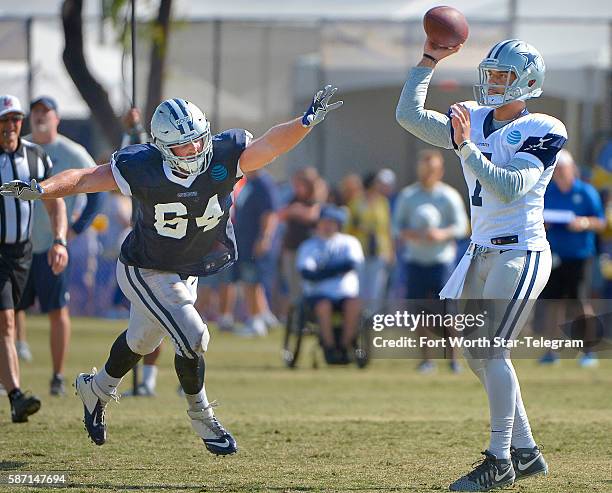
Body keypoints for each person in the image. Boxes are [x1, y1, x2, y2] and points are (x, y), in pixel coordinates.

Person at [1, 87, 342, 452]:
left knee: (141, 341)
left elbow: (270, 145)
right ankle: (202, 417)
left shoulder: (223, 154)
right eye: (184, 146)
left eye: (198, 141)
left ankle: (96, 388)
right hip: (146, 268)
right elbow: (86, 178)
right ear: (163, 147)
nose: (195, 151)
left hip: (186, 268)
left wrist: (305, 122)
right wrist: (44, 189)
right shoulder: (142, 166)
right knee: (193, 335)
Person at [396, 38, 567, 491]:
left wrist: (466, 148)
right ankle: (526, 452)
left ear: (528, 81)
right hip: (480, 250)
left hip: (522, 252)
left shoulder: (544, 126)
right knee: (479, 355)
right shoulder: (472, 116)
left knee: (491, 349)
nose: (492, 83)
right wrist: (428, 60)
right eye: (490, 73)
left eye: (502, 76)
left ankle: (500, 459)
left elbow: (509, 188)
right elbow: (408, 117)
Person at [15, 96, 102, 396]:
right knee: (9, 309)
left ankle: (57, 376)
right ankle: (11, 373)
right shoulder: (18, 148)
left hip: (54, 244)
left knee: (56, 309)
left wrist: (76, 229)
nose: (40, 116)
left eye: (45, 112)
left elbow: (97, 191)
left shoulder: (72, 152)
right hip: (18, 243)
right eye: (35, 111)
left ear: (56, 118)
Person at [0, 94, 68, 422]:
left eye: (15, 119)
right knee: (7, 321)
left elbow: (55, 202)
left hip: (23, 253)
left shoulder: (35, 158)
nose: (10, 126)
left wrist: (59, 240)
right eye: (4, 120)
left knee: (10, 321)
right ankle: (15, 395)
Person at [393, 149, 468, 373]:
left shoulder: (449, 196)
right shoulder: (408, 196)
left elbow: (462, 226)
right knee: (419, 312)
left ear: (440, 171)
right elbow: (396, 226)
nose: (428, 173)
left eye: (432, 169)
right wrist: (409, 234)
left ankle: (453, 359)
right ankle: (427, 360)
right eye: (424, 168)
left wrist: (442, 234)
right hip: (415, 259)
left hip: (441, 261)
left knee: (448, 312)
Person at [539, 149, 605, 366]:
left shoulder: (585, 192)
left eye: (562, 168)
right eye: (555, 169)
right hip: (554, 255)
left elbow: (600, 222)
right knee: (552, 303)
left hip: (579, 256)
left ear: (571, 168)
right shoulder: (548, 192)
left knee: (580, 303)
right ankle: (551, 351)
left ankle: (589, 350)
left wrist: (582, 223)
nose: (558, 173)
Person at [296, 204, 364, 364]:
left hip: (344, 293)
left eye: (332, 222)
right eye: (324, 222)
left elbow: (352, 264)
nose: (327, 226)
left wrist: (322, 272)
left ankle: (346, 345)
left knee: (354, 305)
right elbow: (307, 272)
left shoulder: (349, 242)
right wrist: (335, 271)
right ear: (318, 224)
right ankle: (330, 347)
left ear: (338, 224)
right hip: (318, 294)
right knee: (324, 305)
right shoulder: (309, 245)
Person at [234, 168, 280, 336]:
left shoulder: (263, 183)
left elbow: (269, 213)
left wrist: (265, 237)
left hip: (255, 240)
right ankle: (263, 316)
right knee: (252, 281)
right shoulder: (249, 182)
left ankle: (255, 321)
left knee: (251, 280)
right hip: (245, 240)